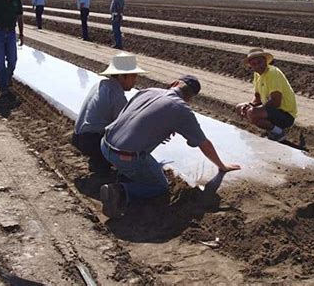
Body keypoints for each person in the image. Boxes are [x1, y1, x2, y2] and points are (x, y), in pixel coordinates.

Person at [99, 75, 241, 218]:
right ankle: (120, 191)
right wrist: (222, 166)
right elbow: (204, 143)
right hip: (126, 157)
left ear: (174, 83)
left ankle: (125, 174)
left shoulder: (149, 91)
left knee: (140, 159)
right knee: (160, 187)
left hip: (105, 145)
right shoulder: (181, 109)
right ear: (189, 98)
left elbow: (128, 116)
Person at [72, 53, 147, 174]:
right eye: (133, 76)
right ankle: (103, 163)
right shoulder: (117, 95)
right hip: (90, 141)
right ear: (122, 77)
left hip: (77, 136)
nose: (135, 80)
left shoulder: (101, 85)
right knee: (126, 139)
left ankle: (98, 160)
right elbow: (124, 126)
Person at [235, 48, 297, 142]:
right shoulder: (257, 74)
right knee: (240, 107)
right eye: (254, 64)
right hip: (273, 110)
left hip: (285, 114)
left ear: (265, 61)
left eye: (259, 62)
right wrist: (249, 105)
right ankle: (271, 128)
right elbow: (257, 97)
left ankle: (279, 132)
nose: (257, 66)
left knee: (253, 113)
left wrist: (256, 110)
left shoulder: (273, 73)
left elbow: (276, 102)